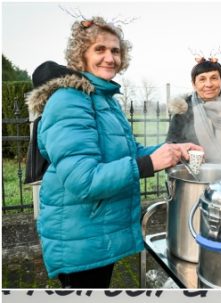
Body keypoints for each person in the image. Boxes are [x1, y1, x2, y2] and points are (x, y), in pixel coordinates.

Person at [30, 19, 200, 287]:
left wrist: (173, 150)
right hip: (80, 239)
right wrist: (148, 164)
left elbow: (130, 153)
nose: (110, 58)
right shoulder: (69, 100)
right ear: (81, 55)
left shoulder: (104, 100)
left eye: (116, 51)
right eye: (100, 50)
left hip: (97, 233)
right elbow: (83, 180)